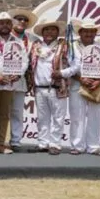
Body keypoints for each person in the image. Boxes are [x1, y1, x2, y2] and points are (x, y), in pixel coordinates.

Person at [0, 11, 28, 154]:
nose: (4, 26)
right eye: (1, 23)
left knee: (4, 114)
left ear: (11, 25)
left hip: (10, 83)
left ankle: (0, 143)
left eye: (7, 23)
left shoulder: (18, 42)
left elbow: (24, 61)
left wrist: (18, 73)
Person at [29, 19, 76, 155]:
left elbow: (76, 65)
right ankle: (43, 143)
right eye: (47, 30)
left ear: (57, 32)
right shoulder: (36, 46)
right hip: (39, 87)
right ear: (42, 32)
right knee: (42, 117)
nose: (50, 32)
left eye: (53, 29)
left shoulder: (65, 46)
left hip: (57, 87)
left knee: (58, 117)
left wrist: (62, 73)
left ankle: (55, 143)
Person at [68, 19, 100, 155]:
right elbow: (67, 66)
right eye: (86, 31)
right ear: (80, 32)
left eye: (91, 31)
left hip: (96, 85)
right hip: (77, 84)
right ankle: (77, 146)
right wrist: (81, 79)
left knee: (95, 116)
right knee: (77, 116)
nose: (89, 34)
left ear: (95, 33)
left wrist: (99, 81)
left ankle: (94, 146)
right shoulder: (71, 46)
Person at [8, 8, 39, 151]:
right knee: (0, 112)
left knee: (17, 111)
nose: (22, 22)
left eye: (25, 20)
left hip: (21, 80)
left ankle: (15, 141)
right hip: (3, 79)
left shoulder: (32, 40)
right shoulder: (4, 36)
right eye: (19, 19)